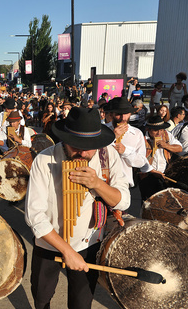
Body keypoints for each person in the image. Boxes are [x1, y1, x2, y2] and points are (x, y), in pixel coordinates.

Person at [25, 107, 130, 309]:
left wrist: (98, 184)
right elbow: (34, 215)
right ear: (64, 139)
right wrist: (66, 250)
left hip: (87, 244)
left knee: (81, 304)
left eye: (89, 146)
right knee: (41, 297)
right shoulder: (44, 160)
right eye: (76, 146)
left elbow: (123, 201)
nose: (82, 152)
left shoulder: (107, 157)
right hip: (48, 244)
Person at [105, 97, 152, 217]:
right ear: (111, 114)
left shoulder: (136, 134)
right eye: (118, 115)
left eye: (125, 114)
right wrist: (112, 138)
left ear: (130, 114)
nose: (122, 118)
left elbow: (141, 162)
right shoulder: (103, 131)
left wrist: (125, 151)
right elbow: (97, 154)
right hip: (104, 182)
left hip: (125, 183)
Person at [140, 115, 182, 200]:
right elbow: (139, 159)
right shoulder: (142, 138)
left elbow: (179, 148)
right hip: (147, 175)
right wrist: (152, 171)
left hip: (164, 175)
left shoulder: (167, 135)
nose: (159, 133)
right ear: (148, 129)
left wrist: (166, 145)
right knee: (148, 202)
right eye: (155, 130)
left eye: (161, 130)